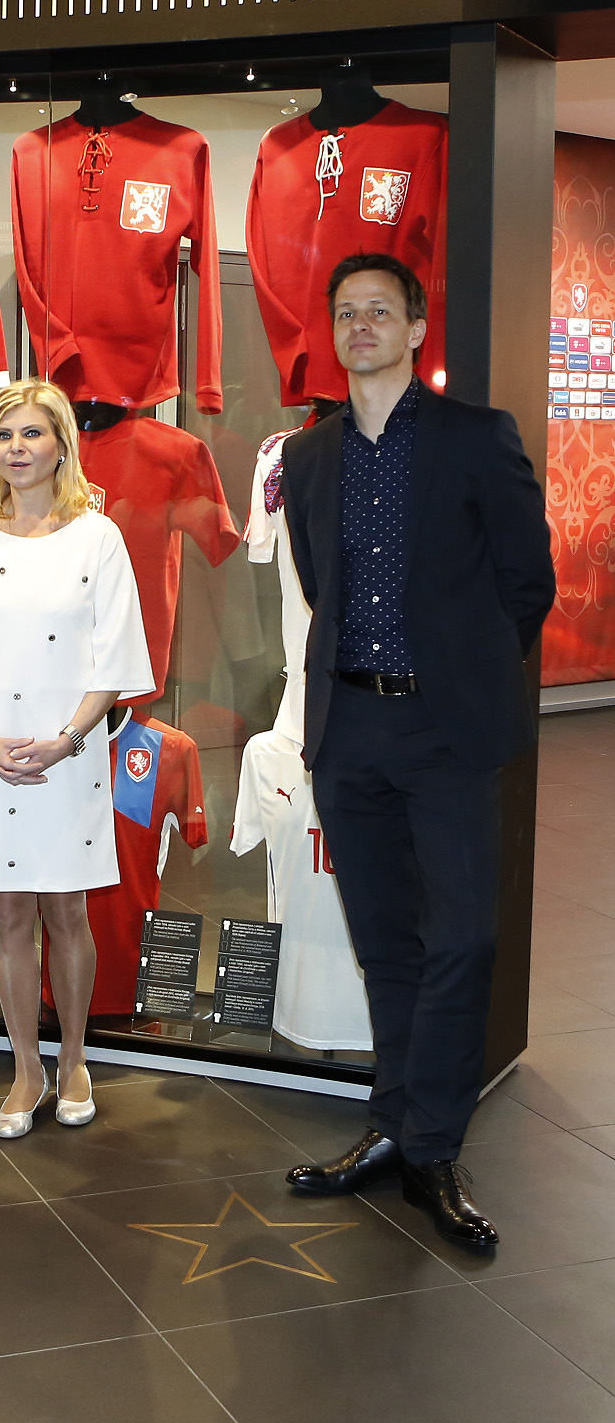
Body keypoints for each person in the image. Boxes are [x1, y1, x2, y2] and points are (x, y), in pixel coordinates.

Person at [279, 253, 553, 1252]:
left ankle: (433, 1142)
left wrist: (462, 672)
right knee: (386, 942)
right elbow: (319, 582)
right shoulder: (309, 456)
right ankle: (395, 1124)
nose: (361, 325)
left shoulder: (478, 437)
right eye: (346, 312)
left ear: (415, 327)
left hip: (447, 730)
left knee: (464, 937)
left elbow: (528, 580)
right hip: (348, 728)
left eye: (380, 311)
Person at [0, 379, 151, 1138]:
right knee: (8, 911)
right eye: (3, 434)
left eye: (31, 432)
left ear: (61, 444)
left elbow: (115, 656)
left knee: (68, 909)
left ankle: (74, 1059)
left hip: (69, 754)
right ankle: (24, 1068)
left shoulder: (97, 536)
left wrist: (68, 738)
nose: (17, 448)